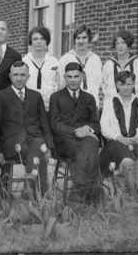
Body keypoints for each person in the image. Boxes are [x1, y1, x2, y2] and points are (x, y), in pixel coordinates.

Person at [0, 61, 53, 194]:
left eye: (22, 75)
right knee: (38, 147)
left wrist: (49, 147)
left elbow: (44, 123)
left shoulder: (36, 96)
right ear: (10, 76)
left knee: (38, 145)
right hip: (12, 144)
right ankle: (38, 193)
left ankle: (32, 191)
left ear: (28, 76)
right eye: (15, 74)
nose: (19, 78)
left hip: (33, 140)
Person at [49, 62, 100, 203]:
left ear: (82, 77)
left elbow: (95, 124)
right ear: (65, 77)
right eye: (69, 77)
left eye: (76, 76)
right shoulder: (56, 97)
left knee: (90, 144)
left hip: (85, 138)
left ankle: (78, 192)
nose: (73, 80)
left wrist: (88, 129)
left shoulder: (89, 98)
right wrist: (75, 131)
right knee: (88, 151)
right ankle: (89, 192)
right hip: (64, 140)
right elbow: (55, 124)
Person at [100, 70, 138, 192]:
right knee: (128, 162)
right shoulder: (110, 102)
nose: (126, 87)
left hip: (137, 139)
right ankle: (131, 194)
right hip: (117, 140)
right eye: (122, 84)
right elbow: (104, 127)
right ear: (117, 85)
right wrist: (119, 137)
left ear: (134, 84)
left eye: (129, 84)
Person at [58, 24, 102, 107]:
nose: (81, 41)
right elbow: (61, 85)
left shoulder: (96, 59)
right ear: (74, 40)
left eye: (84, 38)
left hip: (92, 105)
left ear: (89, 39)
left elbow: (98, 84)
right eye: (78, 38)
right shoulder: (65, 59)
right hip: (70, 105)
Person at [102, 29, 138, 101]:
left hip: (134, 105)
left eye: (123, 43)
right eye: (117, 43)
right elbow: (104, 85)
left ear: (128, 44)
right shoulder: (109, 64)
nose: (120, 46)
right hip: (113, 105)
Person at [22, 26, 59, 111]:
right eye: (35, 39)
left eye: (42, 38)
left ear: (47, 41)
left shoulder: (55, 62)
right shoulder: (23, 62)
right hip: (28, 109)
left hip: (50, 109)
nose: (39, 42)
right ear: (31, 42)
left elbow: (59, 86)